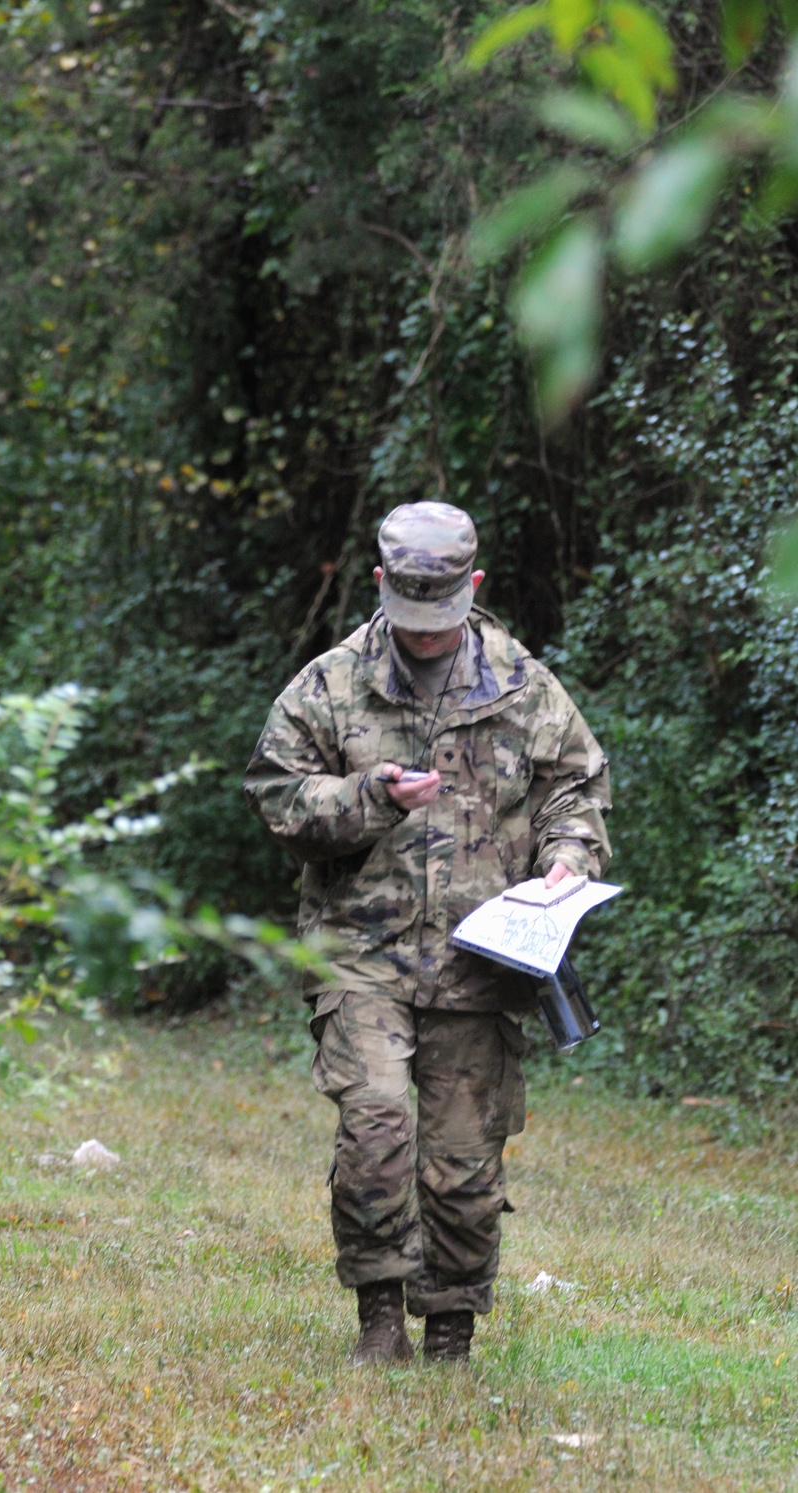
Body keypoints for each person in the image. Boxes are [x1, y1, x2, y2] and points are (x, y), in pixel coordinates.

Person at [243, 501, 611, 1365]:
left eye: (442, 616)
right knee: (375, 1126)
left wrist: (568, 856)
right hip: (360, 951)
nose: (427, 634)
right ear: (380, 585)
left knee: (462, 1156)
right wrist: (369, 795)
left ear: (472, 587)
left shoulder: (525, 685)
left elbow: (577, 788)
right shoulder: (330, 685)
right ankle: (379, 1320)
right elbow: (275, 796)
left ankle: (450, 1328)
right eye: (410, 615)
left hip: (481, 957)